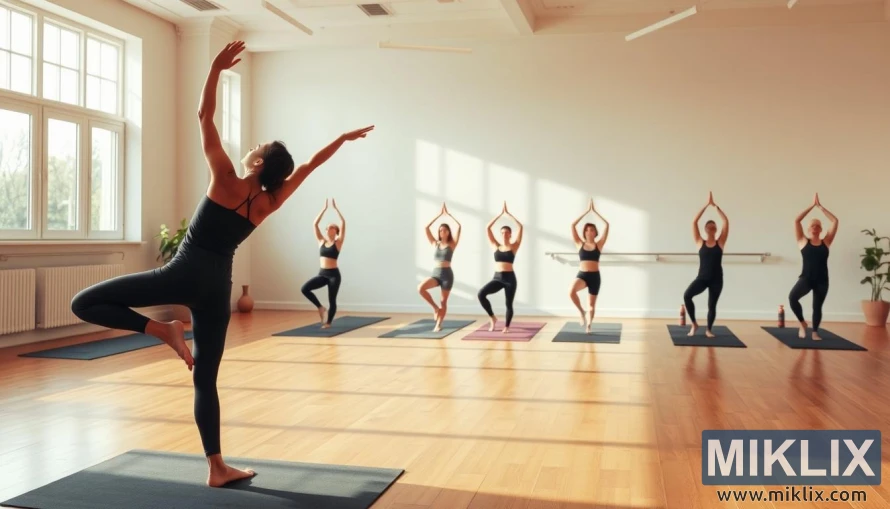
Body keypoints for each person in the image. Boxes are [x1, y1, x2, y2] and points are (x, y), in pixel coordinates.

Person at [69, 41, 374, 487]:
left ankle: (160, 331)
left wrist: (213, 69)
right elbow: (308, 165)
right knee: (205, 380)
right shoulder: (269, 201)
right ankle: (216, 468)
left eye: (259, 145)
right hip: (218, 289)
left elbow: (203, 117)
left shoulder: (225, 177)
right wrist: (342, 141)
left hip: (182, 273)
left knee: (85, 302)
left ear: (259, 161)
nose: (253, 145)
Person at [789, 193, 838, 340]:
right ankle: (803, 323)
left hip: (822, 280)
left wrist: (821, 208)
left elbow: (835, 221)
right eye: (812, 225)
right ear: (809, 229)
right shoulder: (803, 241)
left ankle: (815, 331)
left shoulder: (826, 242)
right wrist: (811, 206)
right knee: (792, 298)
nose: (815, 227)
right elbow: (797, 220)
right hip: (807, 278)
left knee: (817, 307)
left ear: (821, 229)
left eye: (818, 225)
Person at [683, 192, 728, 337]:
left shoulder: (720, 242)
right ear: (705, 229)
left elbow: (726, 223)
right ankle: (694, 324)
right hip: (702, 278)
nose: (712, 229)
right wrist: (706, 206)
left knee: (712, 305)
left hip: (717, 279)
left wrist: (716, 208)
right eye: (709, 227)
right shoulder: (699, 242)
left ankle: (709, 329)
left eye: (714, 227)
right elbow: (694, 222)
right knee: (687, 295)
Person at [478, 202, 523, 333]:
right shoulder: (495, 246)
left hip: (510, 279)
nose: (504, 234)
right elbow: (487, 228)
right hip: (497, 278)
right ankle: (493, 318)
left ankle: (507, 326)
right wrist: (499, 215)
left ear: (510, 234)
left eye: (506, 232)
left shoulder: (514, 246)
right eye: (502, 232)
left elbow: (520, 227)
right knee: (481, 294)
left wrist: (509, 215)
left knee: (508, 304)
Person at [301, 199, 346, 328]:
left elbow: (343, 223)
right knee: (305, 289)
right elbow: (315, 224)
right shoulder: (321, 241)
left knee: (332, 299)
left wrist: (336, 209)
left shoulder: (338, 242)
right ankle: (320, 308)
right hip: (322, 274)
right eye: (327, 228)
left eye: (331, 227)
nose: (328, 229)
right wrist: (324, 209)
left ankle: (329, 323)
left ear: (335, 231)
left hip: (334, 275)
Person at [417, 203, 462, 332]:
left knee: (444, 302)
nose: (442, 231)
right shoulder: (435, 243)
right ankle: (435, 308)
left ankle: (438, 324)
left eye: (445, 230)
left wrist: (449, 215)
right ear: (439, 232)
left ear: (448, 232)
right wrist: (439, 215)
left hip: (447, 274)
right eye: (441, 230)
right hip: (436, 273)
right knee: (421, 288)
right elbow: (426, 227)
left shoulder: (452, 244)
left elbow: (459, 226)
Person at [568, 198, 610, 333]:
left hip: (595, 277)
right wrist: (586, 212)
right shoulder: (579, 243)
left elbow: (607, 225)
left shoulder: (599, 244)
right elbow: (572, 226)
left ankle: (589, 325)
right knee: (571, 292)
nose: (589, 232)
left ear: (595, 232)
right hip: (582, 275)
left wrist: (595, 212)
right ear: (584, 232)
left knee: (591, 305)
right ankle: (581, 312)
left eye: (592, 230)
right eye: (587, 230)